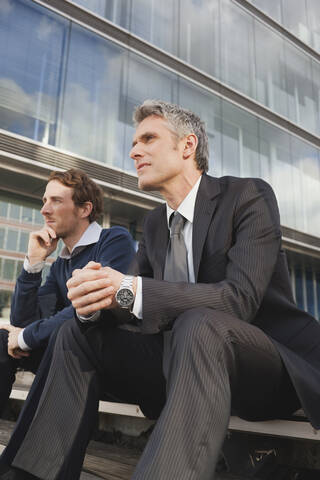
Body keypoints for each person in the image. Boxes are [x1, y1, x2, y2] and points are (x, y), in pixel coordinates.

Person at [1, 100, 320, 480]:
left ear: (187, 146)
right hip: (180, 362)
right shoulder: (154, 225)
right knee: (76, 332)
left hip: (262, 365)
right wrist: (94, 300)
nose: (134, 151)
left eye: (148, 139)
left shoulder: (247, 197)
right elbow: (126, 299)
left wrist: (127, 289)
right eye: (134, 142)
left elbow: (239, 299)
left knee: (200, 324)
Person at [0, 168, 135, 417]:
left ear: (84, 209)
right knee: (2, 338)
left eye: (56, 201)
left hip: (109, 362)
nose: (44, 210)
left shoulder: (115, 239)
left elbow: (90, 306)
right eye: (44, 201)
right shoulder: (61, 264)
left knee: (43, 334)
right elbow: (23, 322)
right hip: (67, 356)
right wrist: (33, 264)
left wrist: (26, 335)